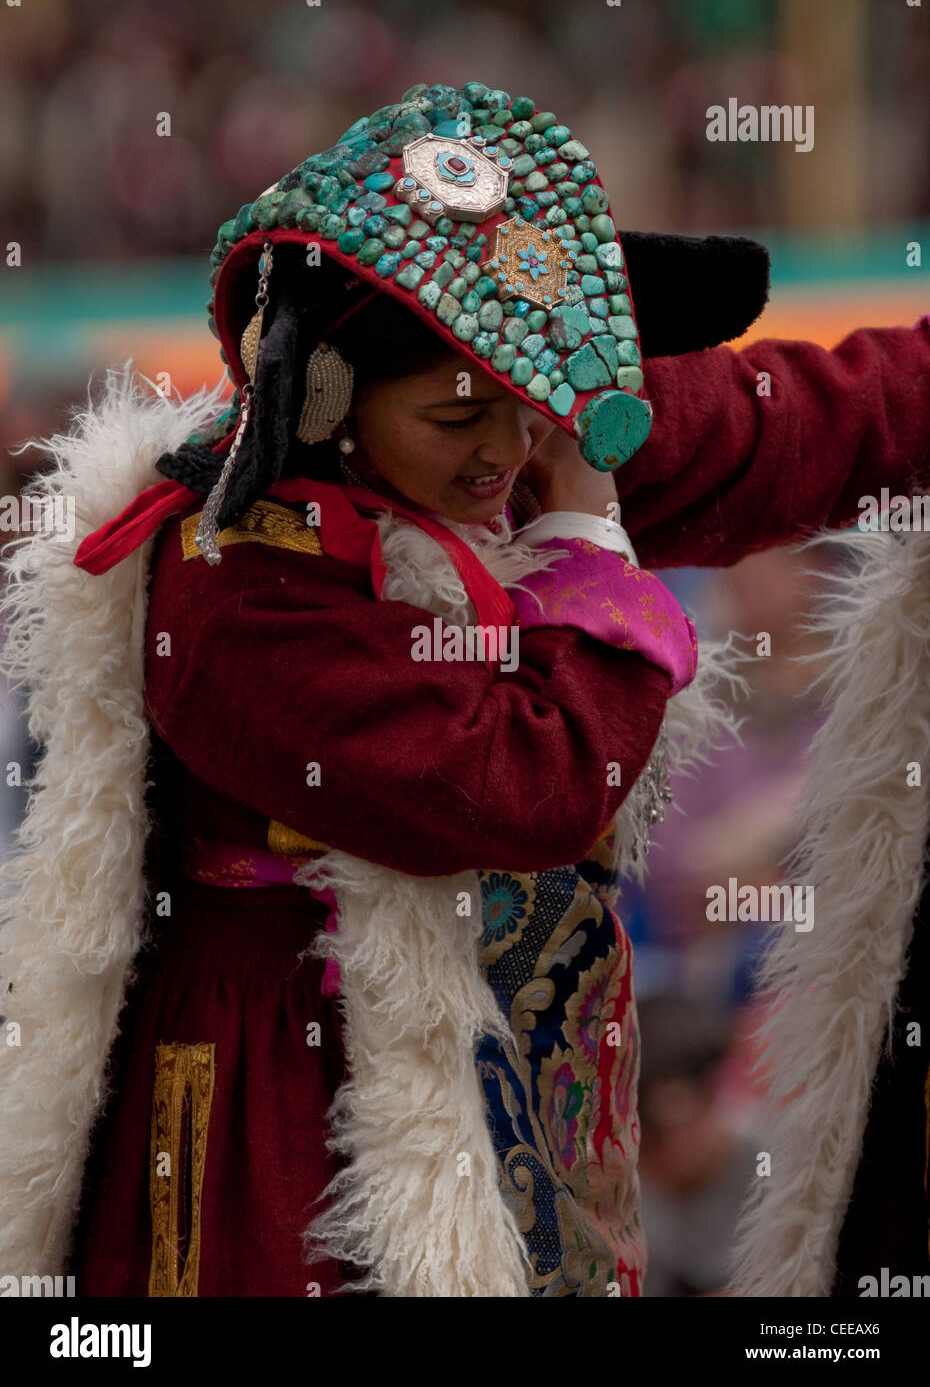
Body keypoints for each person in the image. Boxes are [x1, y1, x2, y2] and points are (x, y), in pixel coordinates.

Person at [1, 80, 928, 1299]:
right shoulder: (233, 587)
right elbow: (524, 784)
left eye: (532, 409)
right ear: (324, 391)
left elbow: (802, 427)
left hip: (537, 1103)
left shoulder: (527, 436)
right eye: (457, 416)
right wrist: (590, 544)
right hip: (288, 1122)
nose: (503, 452)